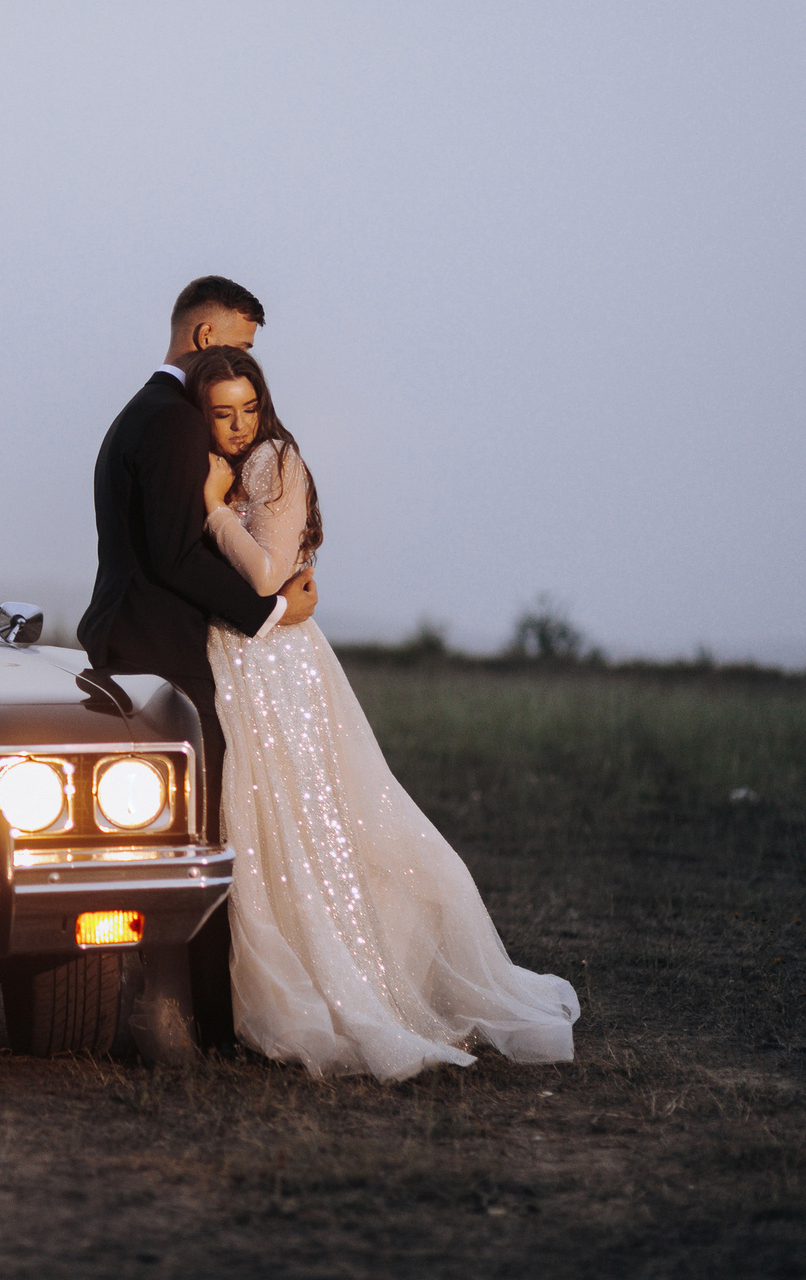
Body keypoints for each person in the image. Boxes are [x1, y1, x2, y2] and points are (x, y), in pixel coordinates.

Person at [186, 344, 580, 1079]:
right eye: (222, 413)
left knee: (317, 819)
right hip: (241, 660)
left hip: (277, 665)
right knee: (266, 819)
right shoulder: (222, 462)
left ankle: (360, 980)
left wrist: (213, 510)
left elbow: (267, 575)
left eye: (248, 409)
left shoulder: (274, 460)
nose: (239, 426)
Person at [78, 276, 317, 1055]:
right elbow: (176, 552)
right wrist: (271, 611)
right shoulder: (175, 421)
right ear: (207, 338)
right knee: (195, 837)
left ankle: (173, 1012)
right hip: (161, 652)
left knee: (161, 834)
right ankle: (200, 1023)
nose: (242, 362)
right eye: (240, 344)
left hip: (128, 642)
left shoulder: (136, 413)